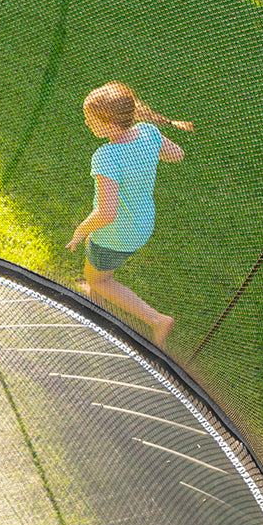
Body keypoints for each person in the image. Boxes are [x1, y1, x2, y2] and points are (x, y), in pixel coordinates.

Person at [66, 81, 193, 347]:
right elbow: (177, 155)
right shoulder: (148, 132)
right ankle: (94, 294)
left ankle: (157, 320)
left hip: (117, 232)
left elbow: (106, 213)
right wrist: (150, 150)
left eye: (91, 120)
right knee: (96, 265)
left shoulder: (106, 156)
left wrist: (80, 230)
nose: (87, 123)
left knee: (101, 278)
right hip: (142, 223)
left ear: (111, 124)